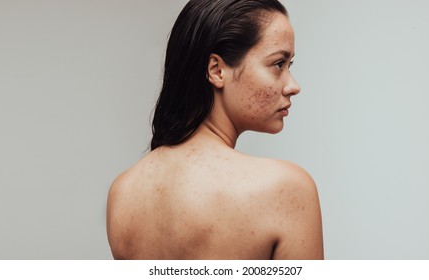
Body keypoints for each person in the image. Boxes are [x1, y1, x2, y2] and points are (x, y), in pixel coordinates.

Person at [106, 0, 323, 260]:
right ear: (217, 70)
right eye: (278, 64)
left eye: (290, 66)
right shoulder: (287, 190)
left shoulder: (123, 192)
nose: (293, 85)